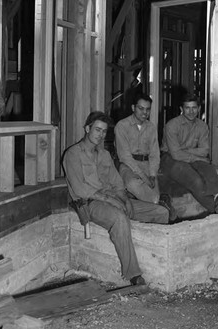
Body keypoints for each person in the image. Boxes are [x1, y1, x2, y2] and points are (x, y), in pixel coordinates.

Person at [63, 111, 169, 286]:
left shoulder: (104, 155)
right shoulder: (73, 154)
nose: (101, 135)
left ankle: (156, 260)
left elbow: (117, 183)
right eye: (97, 130)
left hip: (112, 199)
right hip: (89, 202)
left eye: (104, 131)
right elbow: (80, 189)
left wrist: (125, 200)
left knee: (160, 212)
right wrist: (111, 200)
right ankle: (133, 274)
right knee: (119, 218)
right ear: (87, 129)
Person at [160, 93, 218, 214]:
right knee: (196, 180)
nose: (191, 111)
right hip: (170, 159)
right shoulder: (171, 125)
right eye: (187, 108)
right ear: (181, 109)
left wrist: (186, 152)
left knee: (209, 169)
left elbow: (204, 150)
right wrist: (193, 155)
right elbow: (176, 155)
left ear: (198, 109)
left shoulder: (202, 126)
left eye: (194, 108)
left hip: (190, 157)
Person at [114, 94, 175, 221]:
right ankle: (162, 204)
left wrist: (152, 175)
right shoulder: (122, 126)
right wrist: (143, 176)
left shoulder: (151, 127)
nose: (144, 112)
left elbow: (154, 154)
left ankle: (160, 203)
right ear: (133, 108)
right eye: (141, 108)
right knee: (132, 184)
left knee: (152, 197)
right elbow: (125, 156)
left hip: (146, 165)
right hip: (129, 166)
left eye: (147, 109)